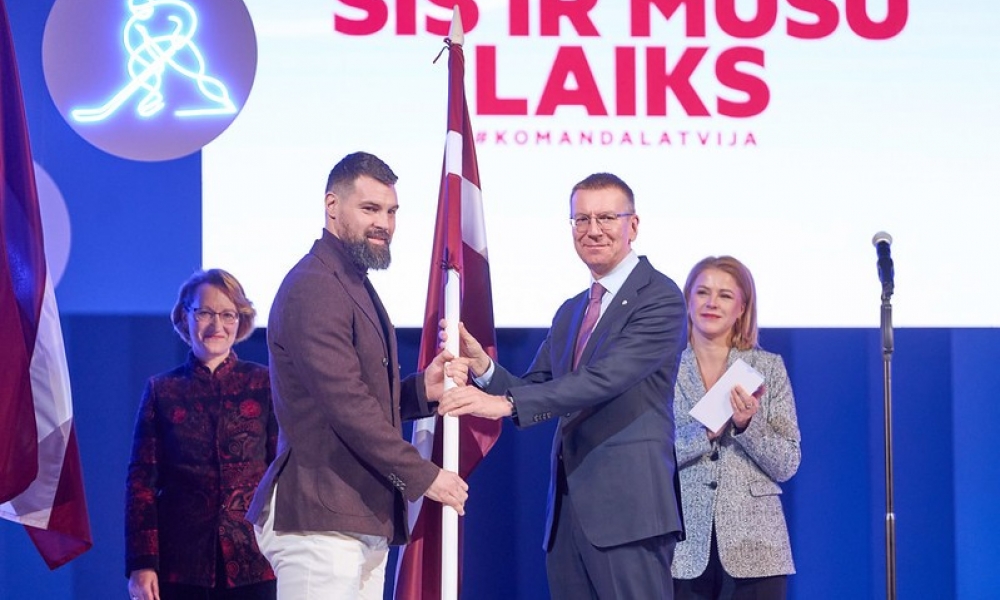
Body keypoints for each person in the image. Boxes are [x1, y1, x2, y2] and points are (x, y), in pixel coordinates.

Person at [439, 172, 687, 600]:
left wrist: (504, 403)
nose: (593, 230)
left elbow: (604, 379)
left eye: (606, 217)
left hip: (630, 513)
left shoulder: (660, 297)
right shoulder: (572, 310)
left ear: (633, 225)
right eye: (581, 219)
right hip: (568, 516)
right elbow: (535, 387)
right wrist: (485, 369)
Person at [246, 151, 469, 599]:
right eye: (370, 209)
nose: (383, 223)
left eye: (391, 211)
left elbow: (354, 396)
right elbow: (345, 404)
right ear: (332, 206)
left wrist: (419, 392)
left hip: (356, 516)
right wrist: (424, 476)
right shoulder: (315, 285)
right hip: (320, 519)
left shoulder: (350, 281)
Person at [125, 269, 277, 600]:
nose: (216, 325)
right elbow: (141, 485)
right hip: (181, 565)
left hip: (256, 560)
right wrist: (142, 564)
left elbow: (282, 472)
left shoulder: (264, 384)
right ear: (185, 316)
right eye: (205, 312)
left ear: (241, 320)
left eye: (228, 314)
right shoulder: (162, 390)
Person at [671, 256, 802, 599]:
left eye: (725, 295)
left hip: (757, 549)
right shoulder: (663, 370)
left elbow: (787, 463)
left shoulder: (768, 367)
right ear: (688, 300)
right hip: (681, 548)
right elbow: (648, 456)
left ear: (742, 308)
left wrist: (747, 426)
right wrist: (703, 433)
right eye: (703, 292)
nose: (712, 303)